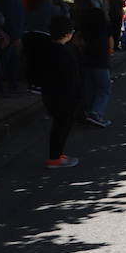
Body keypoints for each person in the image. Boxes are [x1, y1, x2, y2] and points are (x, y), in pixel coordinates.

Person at [41, 14, 83, 169]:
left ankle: (57, 154)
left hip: (50, 94)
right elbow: (71, 78)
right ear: (67, 34)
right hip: (64, 96)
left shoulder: (47, 49)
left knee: (59, 125)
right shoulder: (65, 53)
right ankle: (55, 157)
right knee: (62, 126)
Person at [72, 0, 114, 128]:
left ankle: (87, 112)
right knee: (104, 88)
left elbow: (77, 39)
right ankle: (96, 113)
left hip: (86, 57)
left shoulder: (83, 23)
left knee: (88, 86)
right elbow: (110, 42)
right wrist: (110, 53)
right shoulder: (103, 25)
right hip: (100, 58)